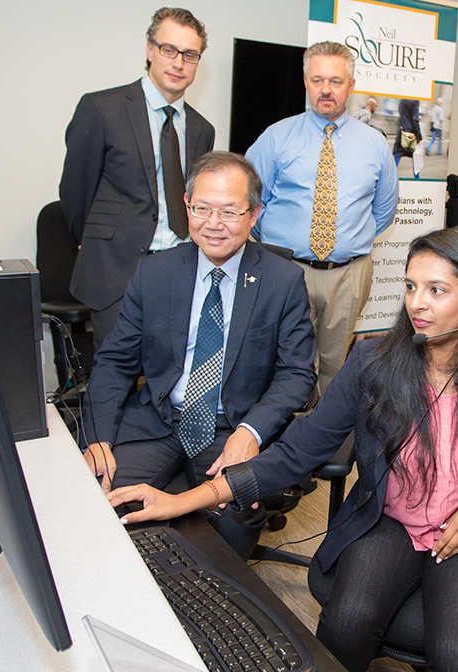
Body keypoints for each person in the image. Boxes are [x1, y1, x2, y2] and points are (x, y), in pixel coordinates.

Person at [112, 227, 458, 671]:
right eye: (410, 286)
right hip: (391, 521)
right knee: (345, 625)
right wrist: (179, 502)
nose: (417, 303)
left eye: (437, 290)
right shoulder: (373, 362)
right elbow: (295, 453)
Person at [80, 151, 317, 557]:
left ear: (254, 214)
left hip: (231, 427)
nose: (213, 224)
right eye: (201, 208)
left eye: (229, 211)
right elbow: (115, 361)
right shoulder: (155, 273)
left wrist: (250, 433)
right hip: (159, 420)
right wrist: (97, 437)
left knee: (232, 530)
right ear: (186, 206)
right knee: (102, 506)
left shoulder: (283, 281)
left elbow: (297, 373)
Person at [246, 41, 399, 398]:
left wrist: (347, 242)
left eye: (335, 81)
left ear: (351, 85)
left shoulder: (375, 144)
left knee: (335, 369)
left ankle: (326, 446)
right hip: (285, 271)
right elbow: (251, 202)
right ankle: (283, 443)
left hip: (348, 275)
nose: (326, 90)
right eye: (317, 80)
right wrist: (276, 248)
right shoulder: (276, 137)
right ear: (305, 81)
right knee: (284, 364)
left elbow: (384, 210)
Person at [60, 7, 215, 350]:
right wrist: (91, 243)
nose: (178, 63)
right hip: (115, 273)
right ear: (149, 50)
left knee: (167, 377)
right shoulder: (102, 108)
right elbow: (74, 192)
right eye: (168, 50)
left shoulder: (203, 129)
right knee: (115, 382)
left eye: (189, 55)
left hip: (178, 271)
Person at [394, 98, 423, 178]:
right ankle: (417, 180)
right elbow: (415, 119)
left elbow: (401, 114)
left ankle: (389, 176)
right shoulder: (415, 100)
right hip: (411, 135)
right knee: (416, 159)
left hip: (402, 132)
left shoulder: (402, 99)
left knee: (397, 155)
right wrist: (419, 137)